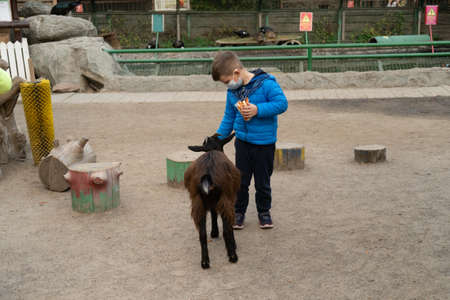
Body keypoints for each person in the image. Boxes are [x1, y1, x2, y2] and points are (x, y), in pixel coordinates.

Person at [211, 51, 288, 230]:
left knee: (262, 181)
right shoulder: (233, 92)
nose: (227, 86)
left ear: (236, 73)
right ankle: (239, 212)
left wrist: (257, 109)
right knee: (240, 181)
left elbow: (282, 103)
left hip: (264, 144)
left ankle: (264, 212)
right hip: (243, 143)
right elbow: (229, 117)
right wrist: (217, 138)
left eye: (226, 81)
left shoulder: (267, 84)